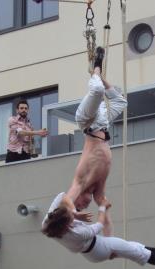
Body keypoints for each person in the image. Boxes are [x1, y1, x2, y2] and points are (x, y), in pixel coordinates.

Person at [42, 192, 155, 268]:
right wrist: (103, 207)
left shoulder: (49, 220)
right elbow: (99, 225)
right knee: (139, 253)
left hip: (95, 246)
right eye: (72, 219)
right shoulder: (76, 234)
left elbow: (62, 196)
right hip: (97, 249)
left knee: (136, 246)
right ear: (68, 225)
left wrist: (74, 213)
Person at [67, 47, 127, 210]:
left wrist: (73, 213)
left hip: (87, 122)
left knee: (97, 90)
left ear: (76, 199)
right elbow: (101, 199)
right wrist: (102, 208)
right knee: (122, 102)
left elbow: (66, 202)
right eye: (84, 208)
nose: (84, 206)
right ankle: (97, 74)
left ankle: (97, 67)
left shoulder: (79, 182)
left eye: (79, 205)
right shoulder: (96, 190)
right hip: (102, 122)